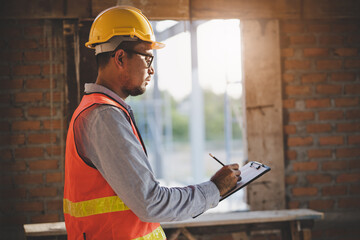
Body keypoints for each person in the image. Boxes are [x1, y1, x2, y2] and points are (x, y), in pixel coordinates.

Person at [63, 6, 241, 240]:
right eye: (148, 58)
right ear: (120, 58)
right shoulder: (104, 116)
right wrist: (214, 189)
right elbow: (151, 202)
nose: (152, 69)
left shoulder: (101, 111)